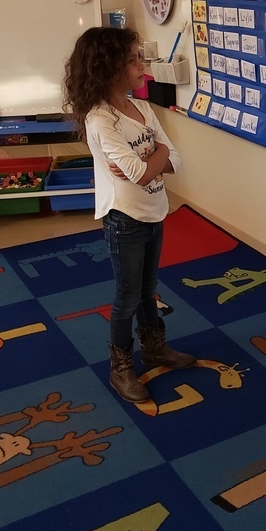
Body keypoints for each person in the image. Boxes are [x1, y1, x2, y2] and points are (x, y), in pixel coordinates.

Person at [62, 27, 196, 403]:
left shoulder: (142, 108)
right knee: (127, 295)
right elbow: (139, 174)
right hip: (124, 217)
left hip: (154, 210)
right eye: (133, 59)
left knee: (148, 290)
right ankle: (120, 367)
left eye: (140, 57)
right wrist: (155, 158)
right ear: (108, 69)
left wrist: (154, 160)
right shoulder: (101, 120)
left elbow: (175, 159)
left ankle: (154, 347)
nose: (142, 64)